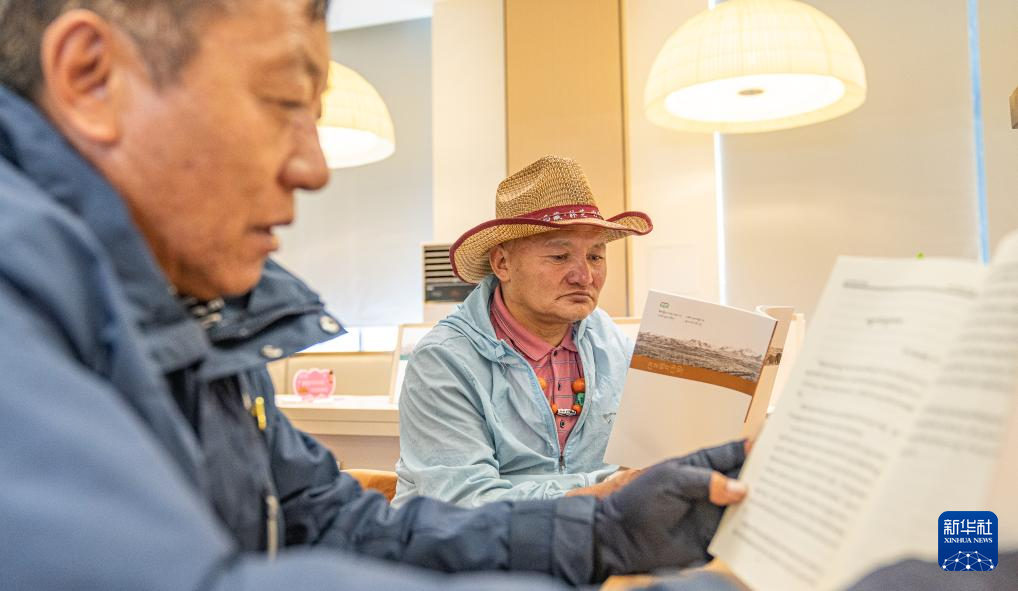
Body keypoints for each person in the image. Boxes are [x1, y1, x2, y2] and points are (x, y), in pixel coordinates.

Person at [0, 1, 751, 589]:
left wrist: (607, 532)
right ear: (91, 76)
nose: (315, 167)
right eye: (283, 101)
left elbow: (338, 524)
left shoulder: (198, 314)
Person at [394, 155, 652, 507]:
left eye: (595, 256)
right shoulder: (444, 360)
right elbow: (464, 501)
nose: (584, 276)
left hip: (587, 531)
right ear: (502, 263)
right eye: (559, 257)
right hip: (476, 539)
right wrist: (602, 493)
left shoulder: (609, 341)